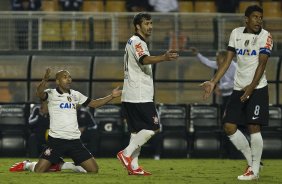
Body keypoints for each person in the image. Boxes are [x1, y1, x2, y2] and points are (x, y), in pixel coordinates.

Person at [201, 5, 273, 180]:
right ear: (246, 19)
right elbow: (226, 61)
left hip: (257, 89)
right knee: (229, 126)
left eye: (260, 17)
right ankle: (252, 162)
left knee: (253, 127)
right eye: (255, 17)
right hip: (238, 88)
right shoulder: (236, 33)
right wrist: (213, 81)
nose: (259, 20)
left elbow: (262, 65)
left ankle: (254, 170)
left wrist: (251, 88)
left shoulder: (266, 36)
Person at [10, 68, 122, 173]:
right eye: (65, 77)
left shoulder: (76, 94)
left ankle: (64, 165)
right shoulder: (51, 93)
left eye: (69, 77)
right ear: (58, 81)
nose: (68, 79)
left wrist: (111, 96)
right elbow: (39, 93)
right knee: (39, 170)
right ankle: (27, 165)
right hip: (56, 141)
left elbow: (95, 104)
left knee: (93, 170)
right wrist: (45, 80)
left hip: (74, 141)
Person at [117, 12, 179, 176]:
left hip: (131, 94)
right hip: (139, 95)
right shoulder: (137, 41)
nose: (150, 26)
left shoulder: (134, 41)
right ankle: (125, 154)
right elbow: (144, 59)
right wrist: (164, 57)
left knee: (136, 132)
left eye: (151, 23)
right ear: (138, 26)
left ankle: (134, 166)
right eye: (146, 23)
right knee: (153, 128)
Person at [191, 47, 236, 112]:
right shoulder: (219, 64)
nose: (216, 60)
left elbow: (236, 83)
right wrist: (197, 54)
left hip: (234, 96)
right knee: (224, 116)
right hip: (225, 95)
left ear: (224, 58)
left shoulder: (234, 67)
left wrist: (220, 86)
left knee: (230, 116)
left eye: (218, 58)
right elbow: (207, 62)